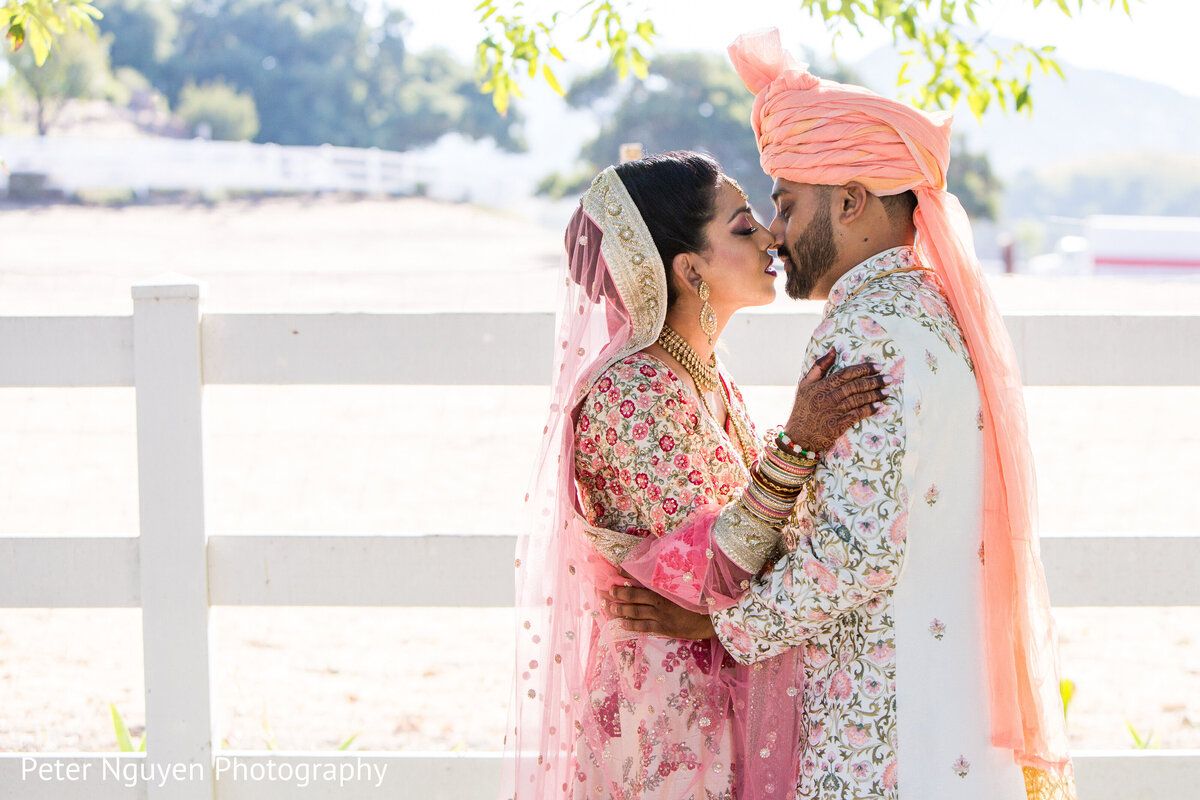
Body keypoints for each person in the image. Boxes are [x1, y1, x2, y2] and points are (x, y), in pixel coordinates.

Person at [607, 30, 1077, 800]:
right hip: (941, 701)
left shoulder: (864, 330)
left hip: (880, 731)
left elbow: (855, 553)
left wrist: (720, 627)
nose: (777, 235)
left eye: (787, 206)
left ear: (851, 200)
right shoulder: (931, 308)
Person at [497, 151, 888, 800]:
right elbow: (712, 571)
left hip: (711, 688)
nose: (770, 236)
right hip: (664, 711)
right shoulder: (634, 389)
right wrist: (800, 442)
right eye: (741, 227)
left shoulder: (705, 374)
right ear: (688, 270)